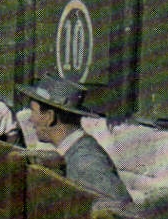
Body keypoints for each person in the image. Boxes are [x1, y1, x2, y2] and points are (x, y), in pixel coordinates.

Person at [18, 75, 131, 203]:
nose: (30, 119)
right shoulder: (74, 153)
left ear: (50, 117)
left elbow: (123, 214)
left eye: (33, 111)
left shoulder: (86, 162)